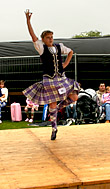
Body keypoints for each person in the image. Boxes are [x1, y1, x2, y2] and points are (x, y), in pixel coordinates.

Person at [23, 10, 80, 140]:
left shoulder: (59, 47)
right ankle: (54, 127)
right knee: (52, 104)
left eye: (51, 37)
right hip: (49, 79)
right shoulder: (41, 47)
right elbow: (33, 36)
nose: (50, 39)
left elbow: (71, 51)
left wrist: (65, 63)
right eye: (48, 37)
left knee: (75, 96)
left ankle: (59, 108)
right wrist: (28, 21)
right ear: (43, 39)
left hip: (61, 78)